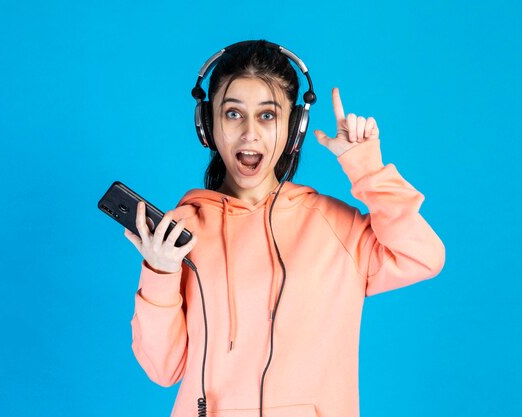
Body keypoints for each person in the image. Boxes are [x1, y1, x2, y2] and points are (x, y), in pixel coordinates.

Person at [123, 40, 445, 417]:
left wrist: (368, 170)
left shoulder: (333, 224)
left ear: (294, 128)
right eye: (232, 114)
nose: (249, 134)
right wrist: (160, 273)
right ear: (207, 124)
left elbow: (423, 256)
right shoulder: (182, 232)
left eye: (267, 115)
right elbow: (163, 369)